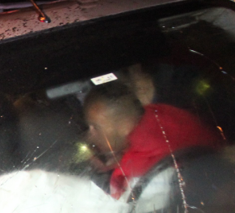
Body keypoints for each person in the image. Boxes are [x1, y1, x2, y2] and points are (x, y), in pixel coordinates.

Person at [83, 80, 224, 199]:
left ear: (124, 126)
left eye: (95, 126)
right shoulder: (159, 112)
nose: (91, 134)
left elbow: (119, 204)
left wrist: (110, 173)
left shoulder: (136, 168)